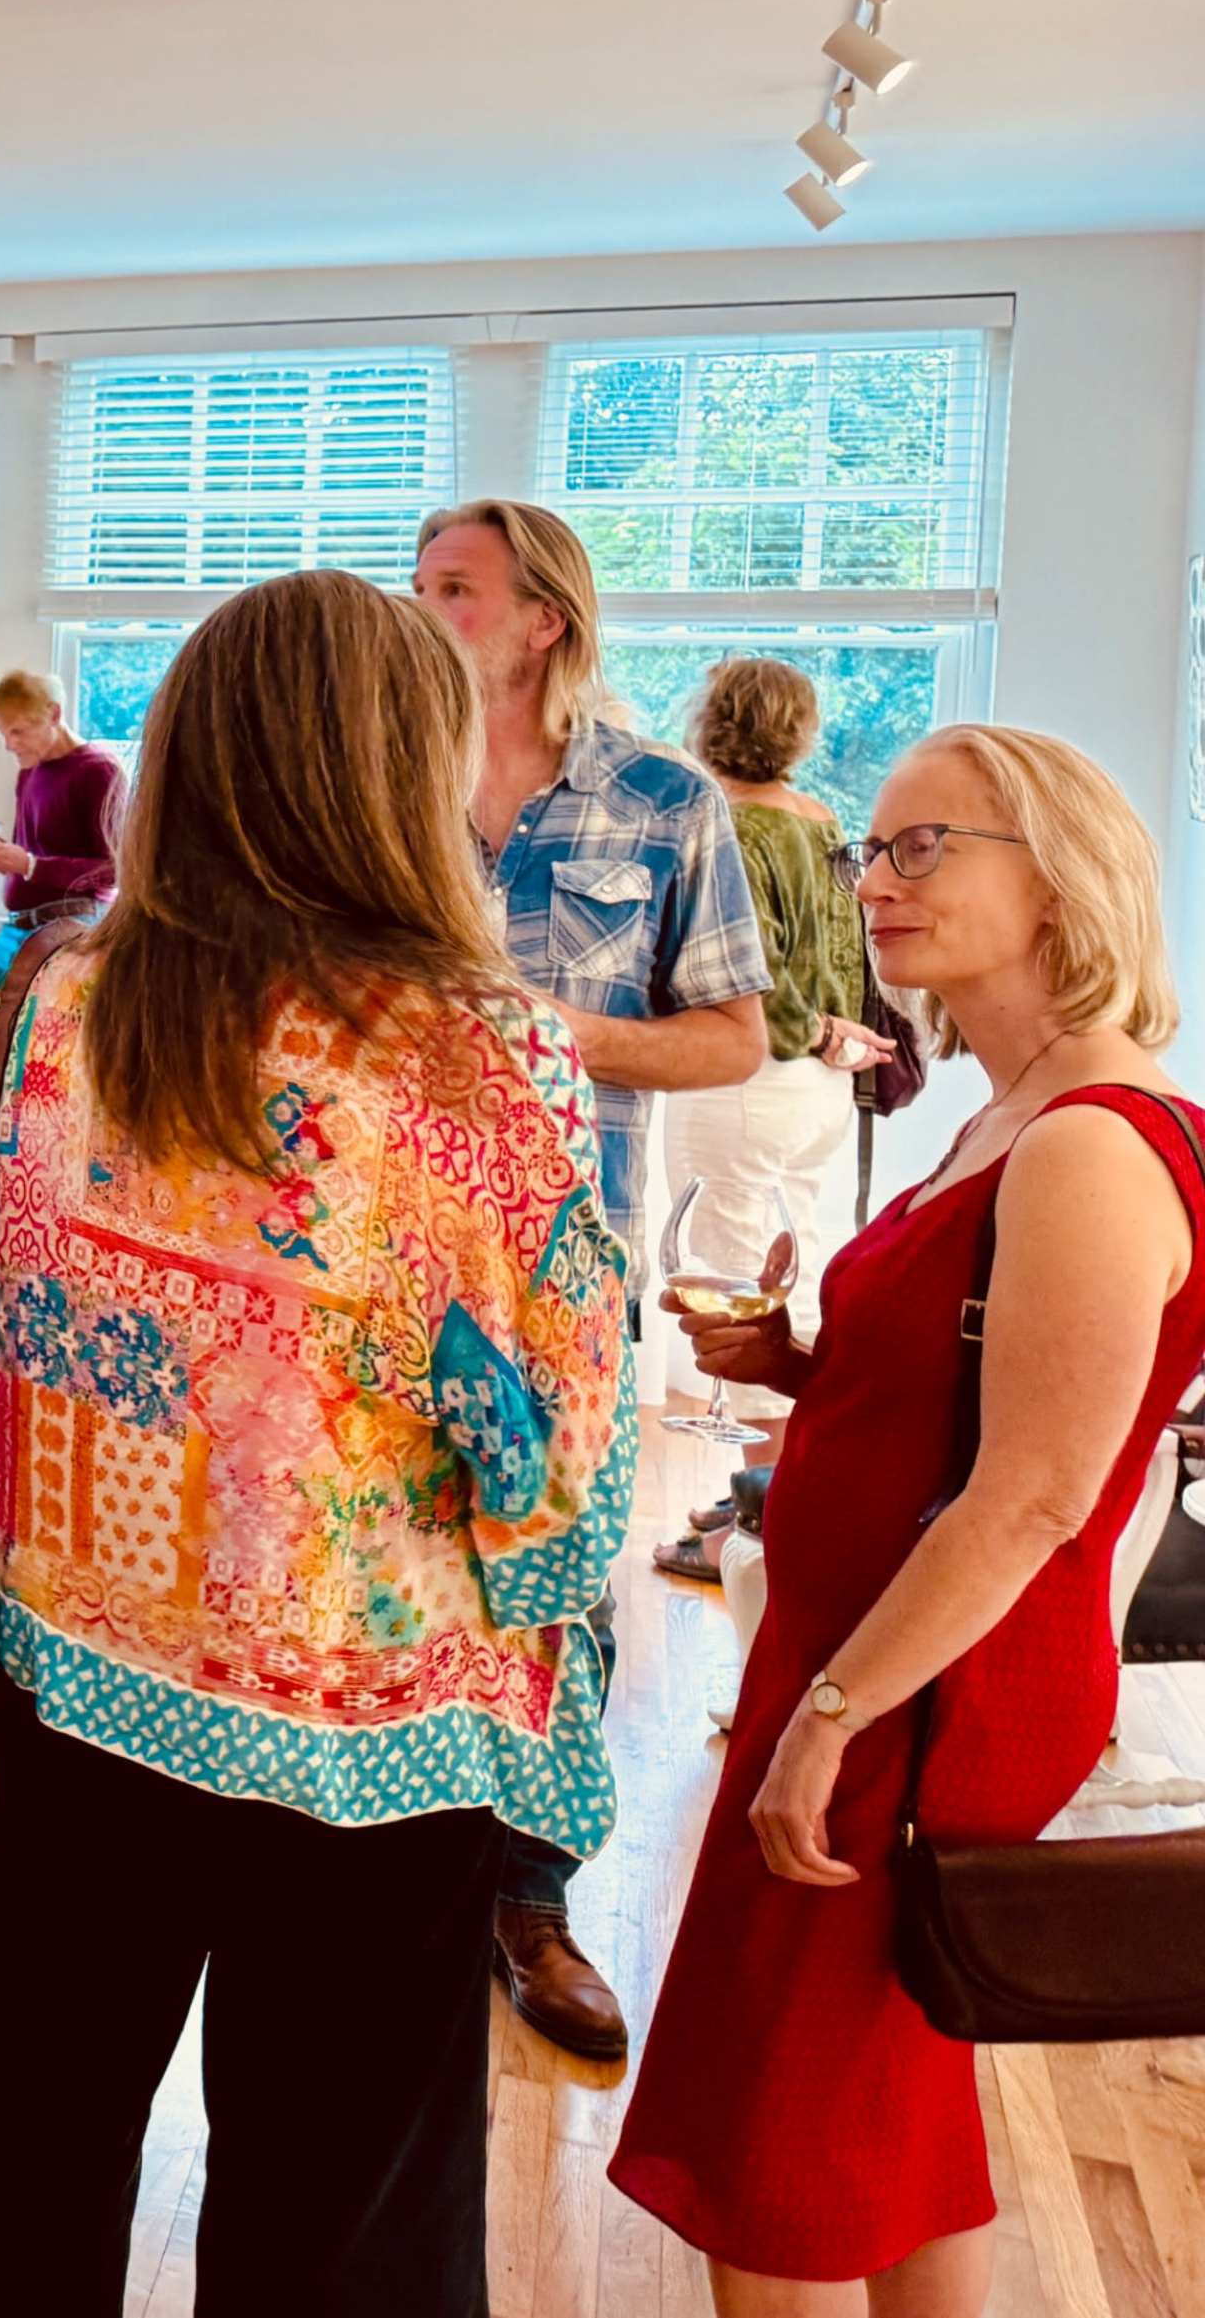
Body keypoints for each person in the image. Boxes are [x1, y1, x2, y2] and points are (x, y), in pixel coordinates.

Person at [0, 571, 632, 2316]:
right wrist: (541, 1574)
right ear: (406, 766)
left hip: (74, 1668)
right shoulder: (476, 1057)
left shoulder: (46, 1004)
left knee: (39, 2122)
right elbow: (551, 1430)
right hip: (363, 1721)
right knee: (340, 2196)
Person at [613, 726, 1204, 2317]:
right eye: (875, 850)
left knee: (778, 2131)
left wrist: (827, 1713)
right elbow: (969, 1397)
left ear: (1061, 877)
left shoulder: (1090, 1140)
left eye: (923, 846)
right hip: (880, 1656)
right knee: (890, 2102)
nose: (875, 882)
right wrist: (808, 1366)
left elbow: (1034, 1492)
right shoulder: (1021, 1109)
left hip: (923, 1683)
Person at [414, 496, 771, 2060]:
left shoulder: (665, 801)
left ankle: (529, 1891)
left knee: (557, 1580)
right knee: (389, 1561)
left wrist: (535, 1033)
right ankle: (394, 1857)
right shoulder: (372, 784)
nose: (423, 609)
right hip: (367, 1262)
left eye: (454, 588)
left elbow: (732, 1036)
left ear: (542, 617)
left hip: (562, 1266)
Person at [651, 658, 896, 1585]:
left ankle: (752, 1515)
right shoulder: (823, 822)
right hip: (819, 1087)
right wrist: (839, 1036)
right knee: (795, 1271)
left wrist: (809, 1029)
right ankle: (771, 1490)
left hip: (751, 1074)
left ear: (713, 720)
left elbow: (750, 977)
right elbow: (841, 956)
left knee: (733, 1285)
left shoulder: (729, 824)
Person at [0, 666, 123, 1083]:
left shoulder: (98, 771)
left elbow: (114, 869)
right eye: (3, 734)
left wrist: (29, 865)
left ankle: (12, 1139)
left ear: (53, 714)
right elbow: (36, 846)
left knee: (42, 1059)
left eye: (18, 732)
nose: (10, 745)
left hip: (72, 925)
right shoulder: (29, 772)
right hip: (18, 929)